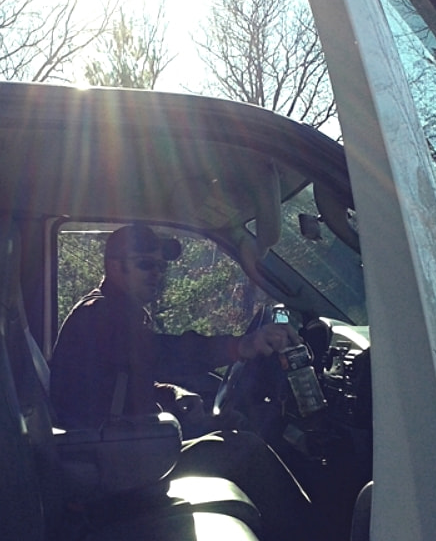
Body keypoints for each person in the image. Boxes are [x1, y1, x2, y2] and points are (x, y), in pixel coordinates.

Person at [50, 224, 318, 540]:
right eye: (145, 265)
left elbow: (115, 384)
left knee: (233, 424)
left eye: (160, 267)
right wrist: (240, 346)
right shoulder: (102, 315)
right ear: (114, 265)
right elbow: (162, 353)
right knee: (245, 450)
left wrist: (170, 393)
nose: (156, 274)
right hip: (113, 469)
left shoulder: (112, 312)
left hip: (122, 450)